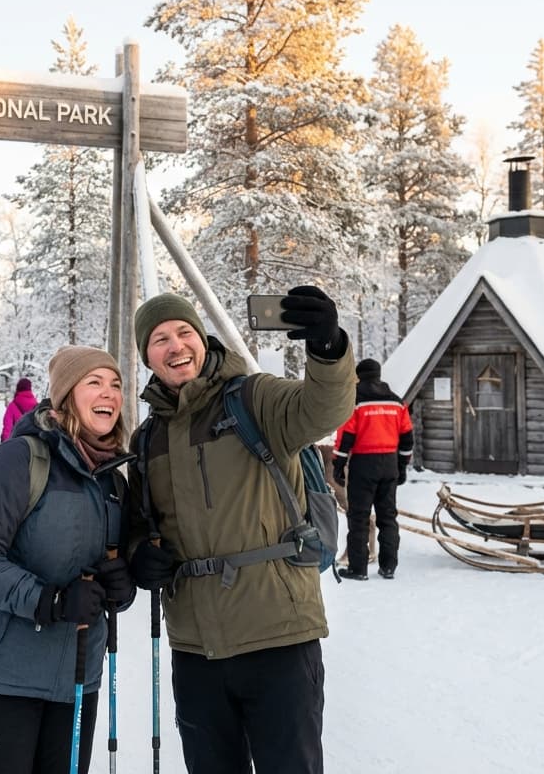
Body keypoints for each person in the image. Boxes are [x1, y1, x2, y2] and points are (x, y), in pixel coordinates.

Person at [126, 289, 355, 774]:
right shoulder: (148, 439)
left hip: (277, 637)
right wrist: (138, 555)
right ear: (147, 356)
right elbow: (138, 525)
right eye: (160, 339)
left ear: (203, 340)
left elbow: (323, 407)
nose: (175, 346)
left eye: (184, 332)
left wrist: (327, 348)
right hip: (195, 649)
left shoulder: (255, 399)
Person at [0, 346, 135, 774]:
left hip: (77, 680)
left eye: (116, 384)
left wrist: (121, 587)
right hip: (1, 677)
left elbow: (108, 578)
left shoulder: (113, 481)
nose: (108, 393)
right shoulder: (20, 460)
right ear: (67, 395)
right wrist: (48, 601)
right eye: (94, 382)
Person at [331, 358, 414, 581]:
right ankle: (388, 567)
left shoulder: (355, 401)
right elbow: (407, 438)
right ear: (378, 375)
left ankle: (358, 568)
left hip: (363, 465)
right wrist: (402, 466)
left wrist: (338, 466)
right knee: (388, 517)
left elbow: (346, 436)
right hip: (389, 464)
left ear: (358, 376)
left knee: (358, 517)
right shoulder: (396, 403)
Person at [0, 377, 38, 443]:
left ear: (18, 388)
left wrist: (4, 443)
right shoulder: (37, 406)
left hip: (17, 444)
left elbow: (7, 427)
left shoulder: (13, 405)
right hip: (33, 445)